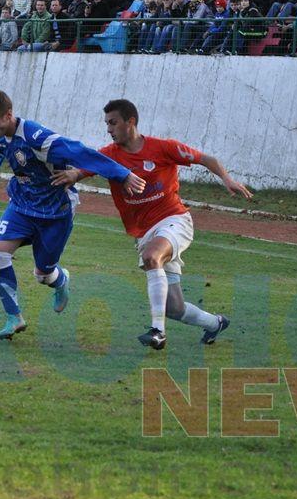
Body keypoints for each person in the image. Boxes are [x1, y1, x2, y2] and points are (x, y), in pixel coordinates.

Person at [51, 99, 252, 350]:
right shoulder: (109, 155)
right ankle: (215, 323)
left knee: (151, 256)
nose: (109, 129)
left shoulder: (163, 148)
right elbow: (84, 169)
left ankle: (158, 332)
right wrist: (73, 174)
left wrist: (227, 179)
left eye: (113, 123)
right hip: (145, 233)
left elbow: (206, 158)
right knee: (174, 307)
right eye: (107, 124)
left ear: (131, 122)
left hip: (174, 220)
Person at [0, 90, 146, 341]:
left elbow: (80, 152)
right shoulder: (1, 137)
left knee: (43, 274)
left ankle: (60, 280)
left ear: (8, 115)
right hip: (21, 205)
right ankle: (14, 317)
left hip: (56, 211)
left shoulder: (37, 138)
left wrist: (122, 174)